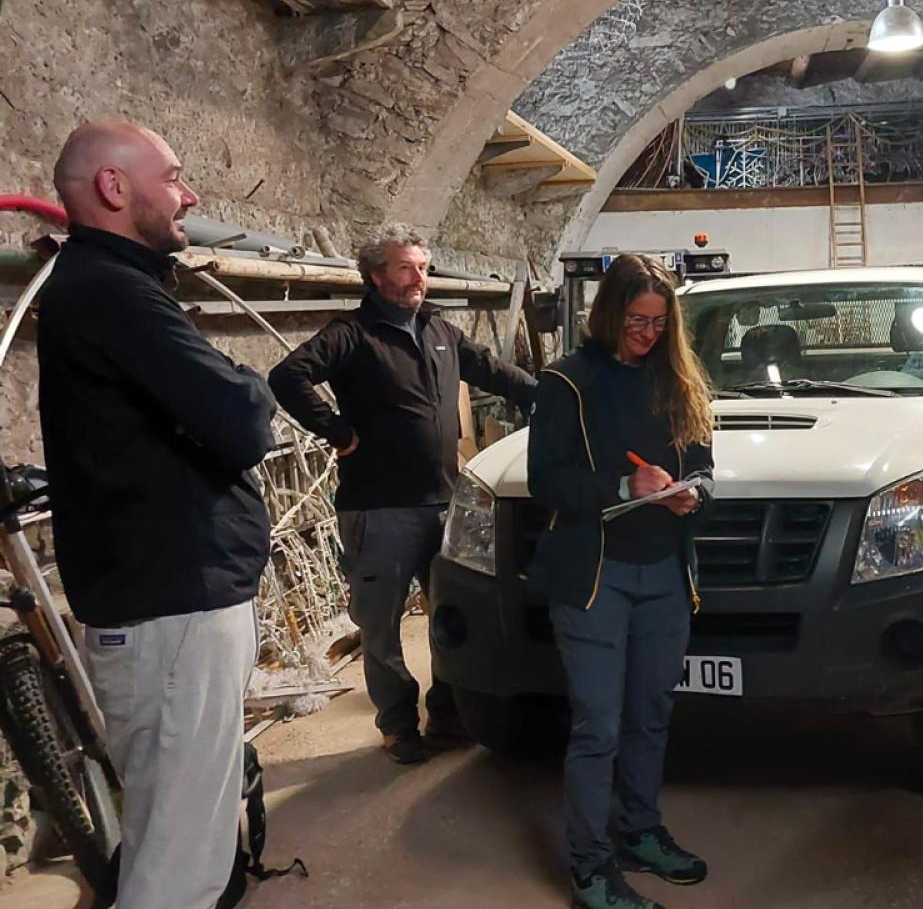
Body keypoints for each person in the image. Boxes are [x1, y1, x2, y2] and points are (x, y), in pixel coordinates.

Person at [38, 122, 277, 908]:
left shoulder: (112, 286)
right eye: (173, 177)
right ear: (114, 188)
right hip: (173, 610)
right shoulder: (113, 291)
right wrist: (247, 384)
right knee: (180, 866)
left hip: (165, 604)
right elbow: (242, 422)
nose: (191, 194)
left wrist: (224, 393)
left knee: (171, 832)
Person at [268, 225, 536, 764]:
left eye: (424, 267)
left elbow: (496, 372)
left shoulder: (439, 330)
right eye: (408, 268)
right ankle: (397, 724)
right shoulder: (352, 334)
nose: (420, 278)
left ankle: (445, 711)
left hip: (444, 503)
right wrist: (338, 432)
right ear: (376, 275)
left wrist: (561, 394)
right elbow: (288, 375)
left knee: (450, 616)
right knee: (382, 626)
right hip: (380, 509)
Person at [527, 254, 714, 909]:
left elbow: (705, 462)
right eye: (636, 319)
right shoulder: (567, 382)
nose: (647, 333)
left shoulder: (677, 379)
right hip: (594, 579)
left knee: (649, 716)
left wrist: (695, 493)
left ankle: (640, 831)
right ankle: (589, 865)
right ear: (608, 312)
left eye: (659, 323)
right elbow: (545, 482)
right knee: (599, 725)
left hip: (664, 572)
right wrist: (622, 487)